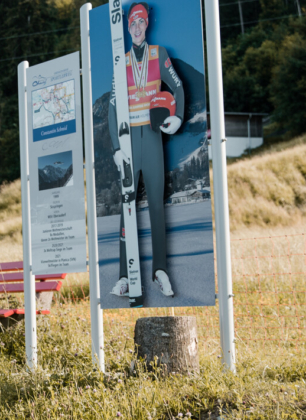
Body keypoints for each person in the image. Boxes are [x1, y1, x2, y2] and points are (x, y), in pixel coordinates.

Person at [110, 2, 184, 300]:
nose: (137, 28)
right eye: (133, 24)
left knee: (156, 204)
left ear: (147, 25)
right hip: (129, 140)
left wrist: (176, 117)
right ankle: (124, 277)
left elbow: (177, 87)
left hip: (153, 137)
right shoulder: (121, 61)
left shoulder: (159, 54)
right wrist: (116, 148)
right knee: (126, 205)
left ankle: (160, 270)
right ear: (127, 28)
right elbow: (114, 106)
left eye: (141, 22)